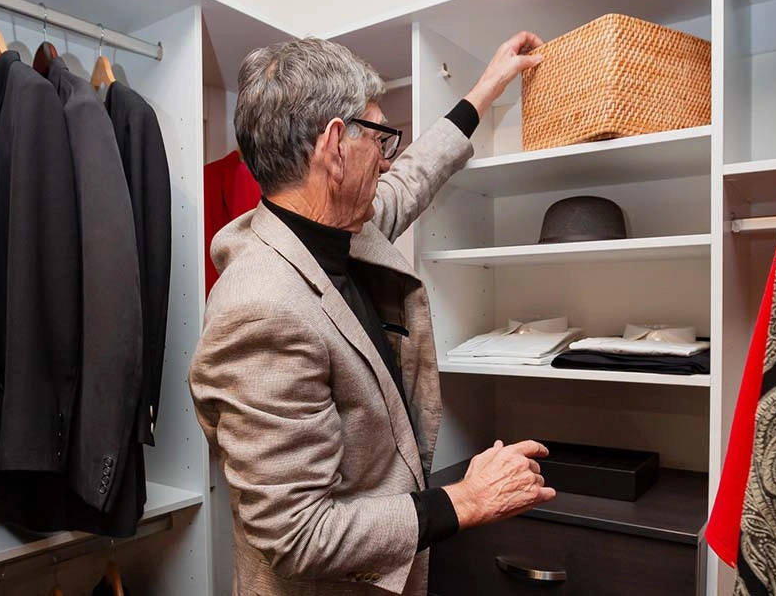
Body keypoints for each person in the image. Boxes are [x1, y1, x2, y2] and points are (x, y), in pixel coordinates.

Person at [189, 34, 555, 596]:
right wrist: (467, 499)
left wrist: (485, 89)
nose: (388, 159)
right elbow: (297, 535)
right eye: (381, 138)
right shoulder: (260, 309)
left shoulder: (338, 228)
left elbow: (412, 179)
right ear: (335, 145)